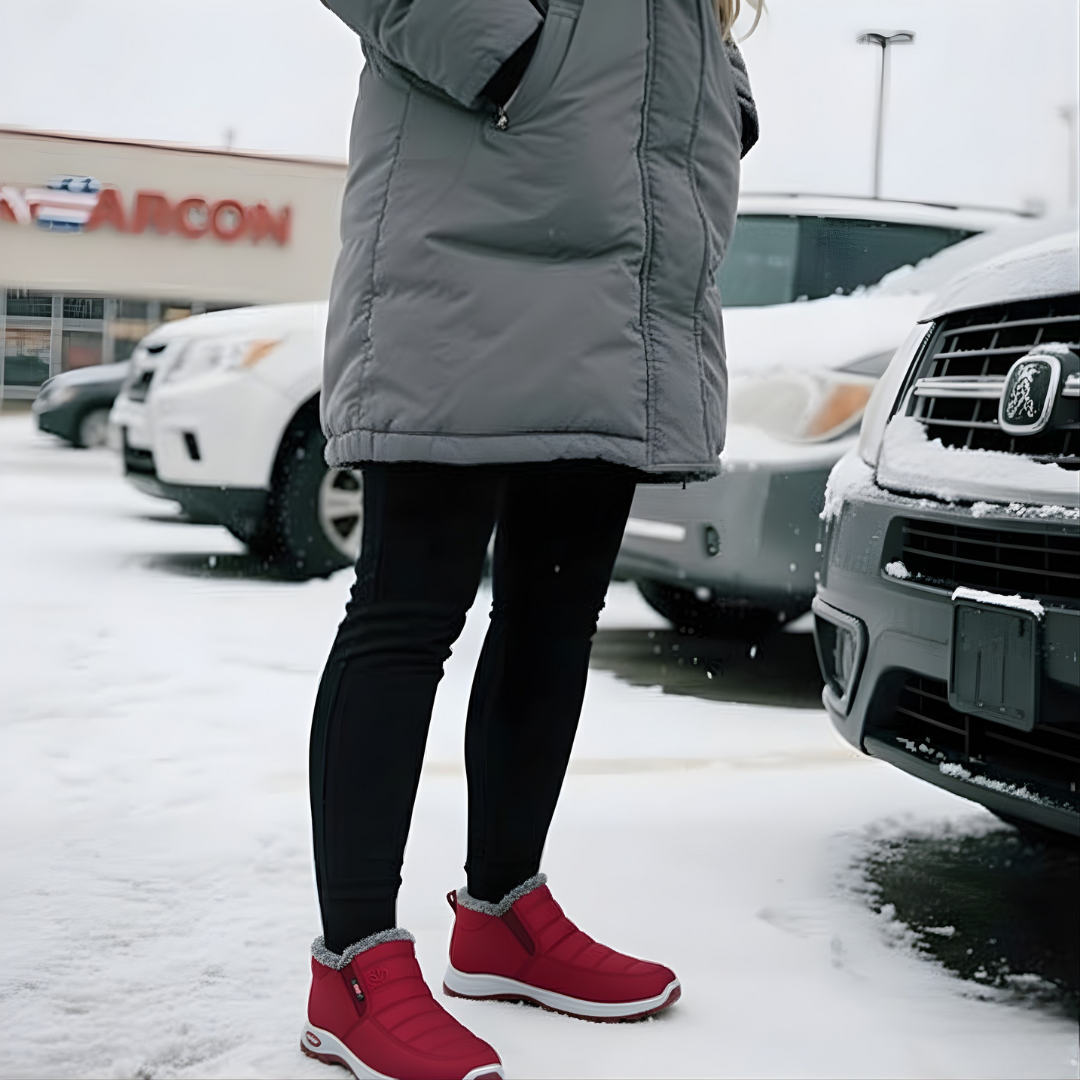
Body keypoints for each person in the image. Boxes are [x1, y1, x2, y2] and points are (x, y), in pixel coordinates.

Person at [302, 1, 759, 1076]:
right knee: (408, 613)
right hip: (462, 252)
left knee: (556, 615)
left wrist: (719, 89)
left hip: (625, 278)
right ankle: (352, 972)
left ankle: (501, 916)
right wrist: (509, 51)